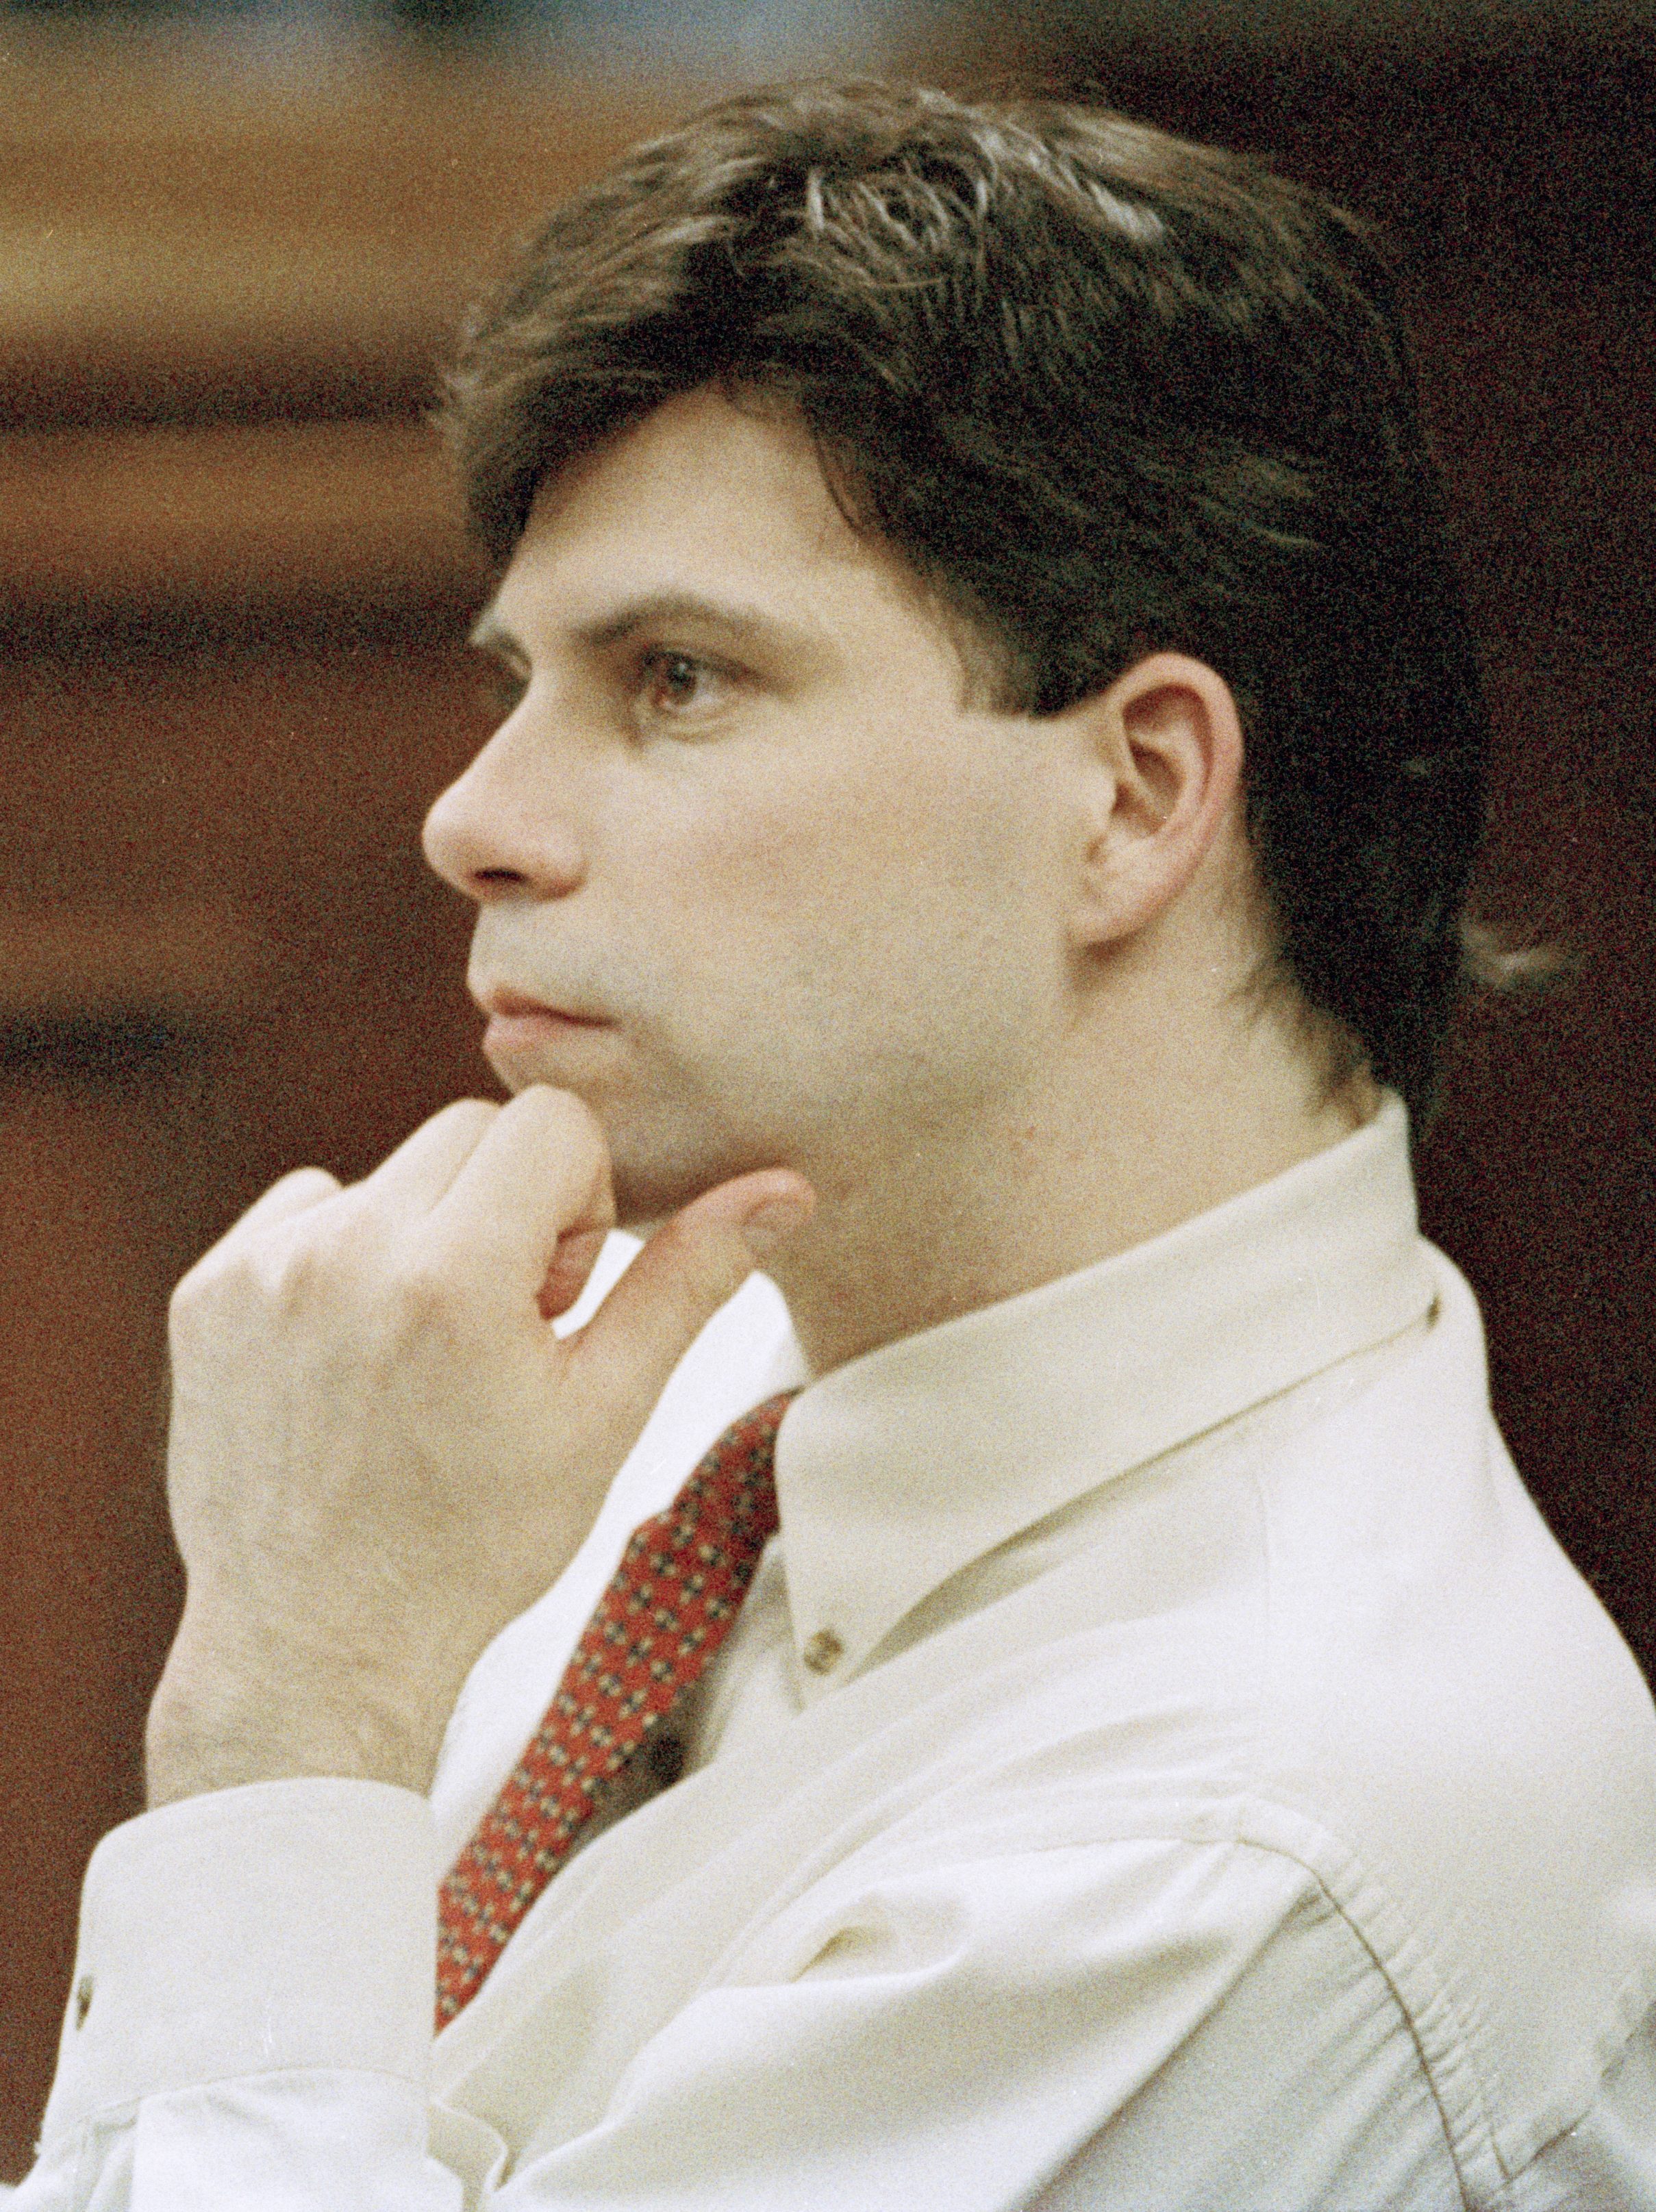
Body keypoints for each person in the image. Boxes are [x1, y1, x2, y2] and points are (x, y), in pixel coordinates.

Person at [14, 78, 1656, 2211]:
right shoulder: (674, 1375)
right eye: (519, 683)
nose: (473, 820)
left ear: (1137, 796)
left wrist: (294, 1705)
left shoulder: (1241, 1843)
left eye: (677, 680)